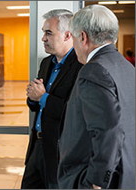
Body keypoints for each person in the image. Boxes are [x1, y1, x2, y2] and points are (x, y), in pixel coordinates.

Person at [58, 5, 135, 189]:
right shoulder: (126, 67)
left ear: (83, 37)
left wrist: (96, 180)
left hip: (95, 179)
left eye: (74, 38)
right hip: (126, 173)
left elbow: (108, 130)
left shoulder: (94, 70)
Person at [21, 9, 82, 189]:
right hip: (37, 147)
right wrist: (33, 98)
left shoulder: (81, 66)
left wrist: (43, 97)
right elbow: (36, 105)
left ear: (67, 35)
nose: (43, 39)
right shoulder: (46, 63)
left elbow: (73, 112)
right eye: (43, 32)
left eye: (49, 33)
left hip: (60, 152)